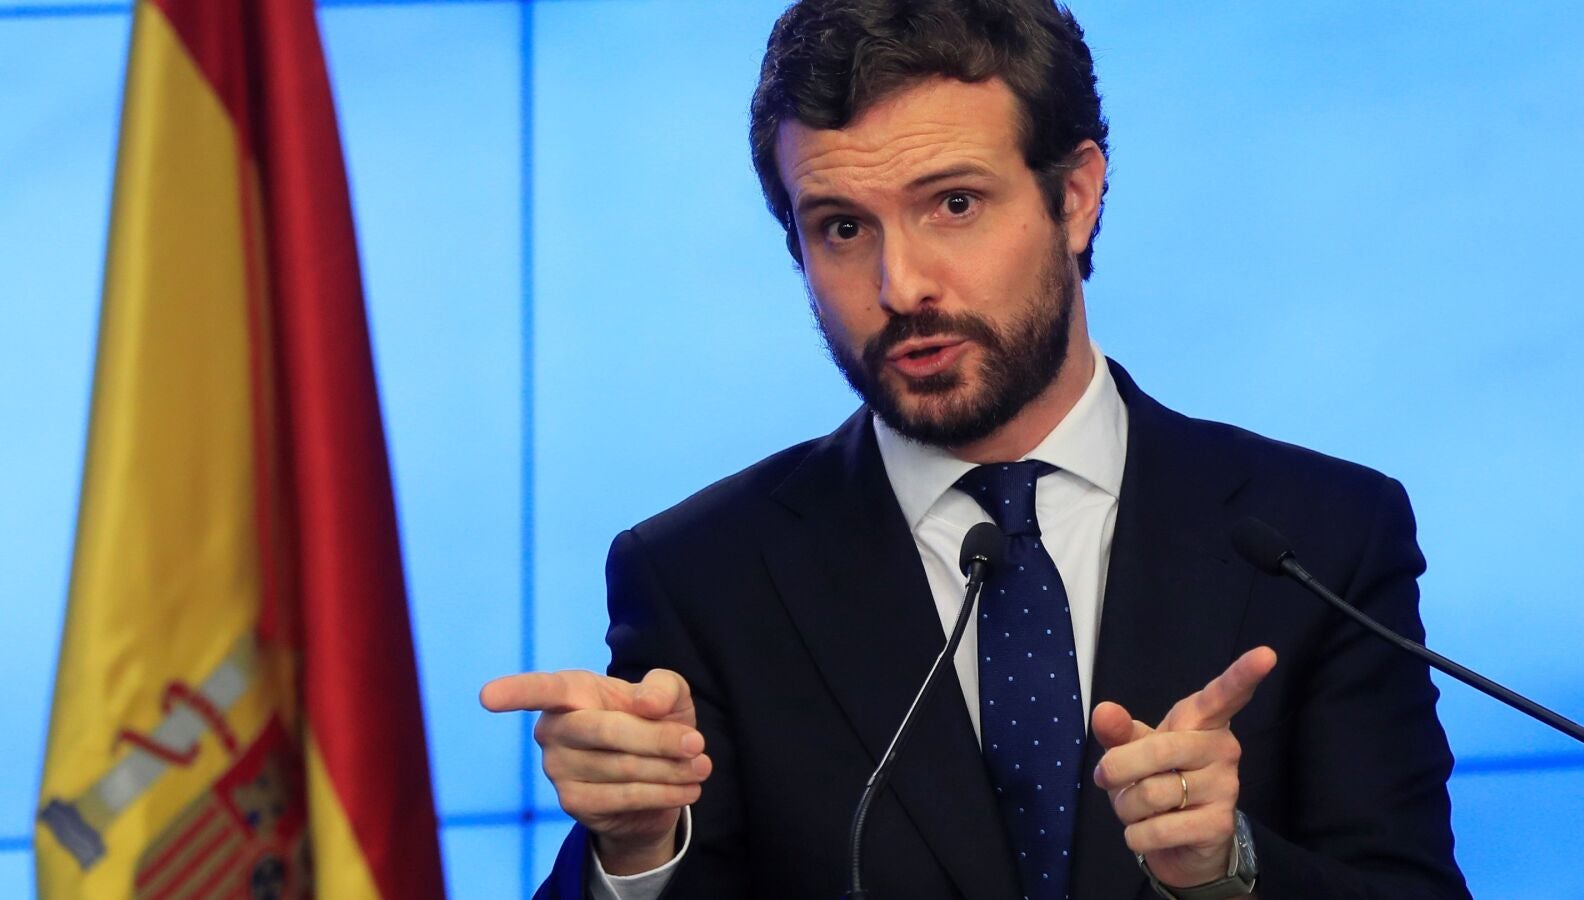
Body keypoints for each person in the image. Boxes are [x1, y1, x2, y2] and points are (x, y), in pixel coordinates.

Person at [481, 1, 1471, 897]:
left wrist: (1226, 869)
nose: (901, 284)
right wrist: (637, 851)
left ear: (1075, 195)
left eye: (953, 204)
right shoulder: (704, 576)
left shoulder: (1319, 538)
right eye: (841, 227)